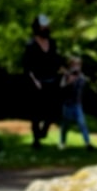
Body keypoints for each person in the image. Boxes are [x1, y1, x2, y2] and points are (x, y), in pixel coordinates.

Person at [22, 14, 65, 148]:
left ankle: (44, 130)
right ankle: (36, 140)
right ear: (38, 27)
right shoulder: (31, 45)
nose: (46, 27)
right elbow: (27, 67)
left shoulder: (52, 43)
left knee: (52, 110)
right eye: (43, 25)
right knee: (36, 112)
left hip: (51, 80)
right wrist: (34, 81)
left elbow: (56, 61)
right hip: (36, 82)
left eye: (47, 25)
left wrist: (64, 69)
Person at [58, 55, 93, 150]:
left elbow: (84, 84)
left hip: (77, 104)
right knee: (65, 125)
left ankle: (87, 143)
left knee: (82, 123)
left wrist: (77, 78)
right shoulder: (66, 76)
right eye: (75, 64)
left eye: (78, 65)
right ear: (71, 65)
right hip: (67, 104)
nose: (77, 66)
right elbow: (61, 87)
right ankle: (62, 142)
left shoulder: (81, 76)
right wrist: (69, 81)